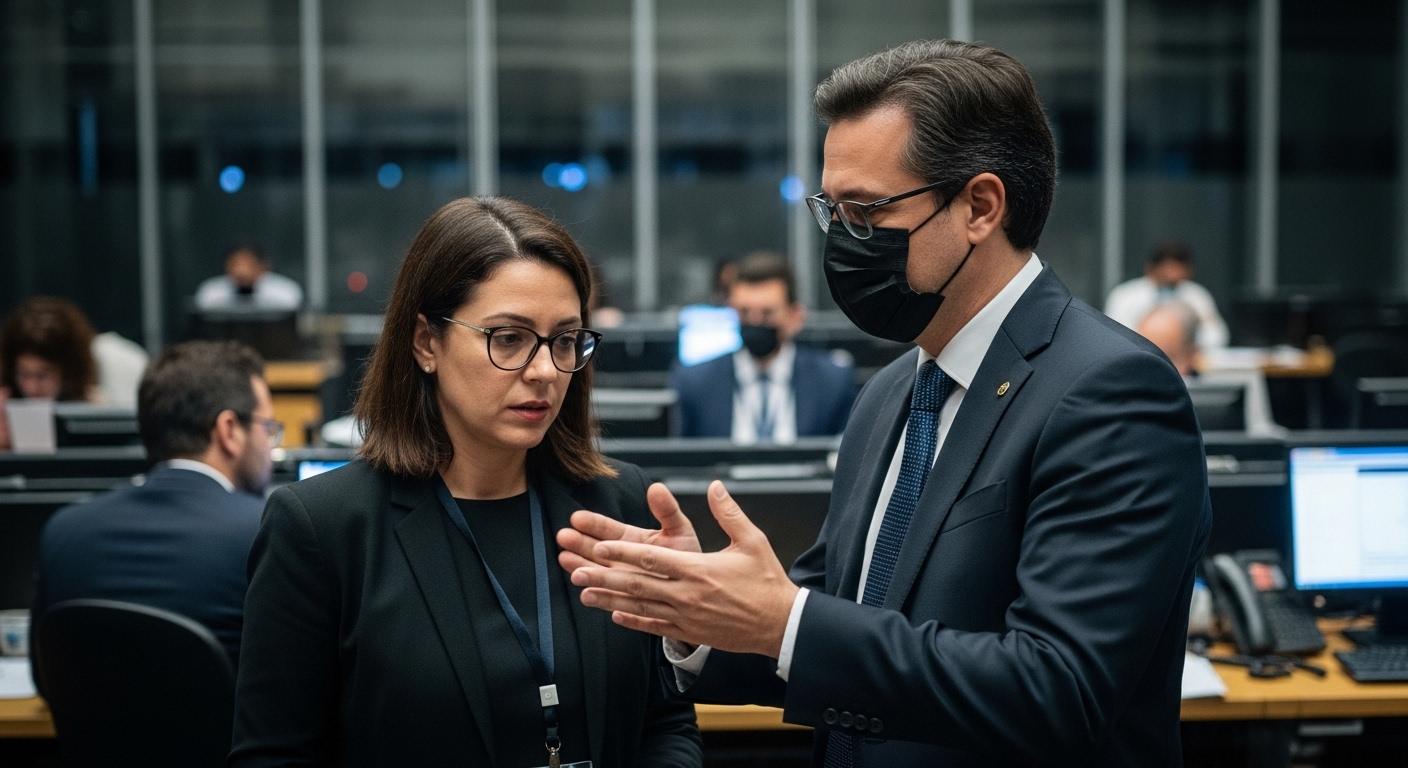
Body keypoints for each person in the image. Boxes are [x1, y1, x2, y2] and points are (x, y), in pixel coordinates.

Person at [559, 39, 1210, 766]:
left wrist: (786, 622)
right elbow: (837, 619)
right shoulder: (891, 394)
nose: (842, 242)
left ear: (981, 206)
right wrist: (704, 609)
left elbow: (1059, 688)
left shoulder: (1110, 389)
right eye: (831, 212)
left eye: (866, 212)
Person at [230, 197, 701, 767]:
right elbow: (274, 758)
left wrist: (691, 616)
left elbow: (666, 724)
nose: (546, 371)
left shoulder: (620, 503)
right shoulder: (322, 529)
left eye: (565, 339)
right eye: (508, 338)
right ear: (426, 343)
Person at [30, 340, 273, 680]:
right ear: (229, 430)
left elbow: (45, 681)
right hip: (221, 735)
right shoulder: (264, 532)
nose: (271, 447)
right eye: (268, 428)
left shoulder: (63, 531)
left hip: (95, 735)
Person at [671, 252, 855, 442]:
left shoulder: (831, 380)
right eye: (744, 312)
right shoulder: (696, 382)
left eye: (767, 313)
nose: (755, 322)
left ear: (795, 317)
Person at [1137, 300, 1284, 437]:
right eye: (1144, 357)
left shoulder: (1237, 382)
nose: (1152, 369)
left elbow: (1265, 438)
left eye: (1167, 357)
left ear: (1192, 354)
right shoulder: (1127, 388)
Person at [1105, 241, 1228, 348]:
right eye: (1166, 273)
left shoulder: (1196, 295)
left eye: (1178, 274)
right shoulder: (1125, 295)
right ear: (1150, 269)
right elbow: (1115, 336)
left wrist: (1182, 345)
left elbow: (1217, 336)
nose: (1172, 276)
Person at [194, 243, 303, 311]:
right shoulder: (211, 291)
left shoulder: (285, 290)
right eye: (235, 265)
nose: (242, 272)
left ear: (264, 266)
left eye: (249, 265)